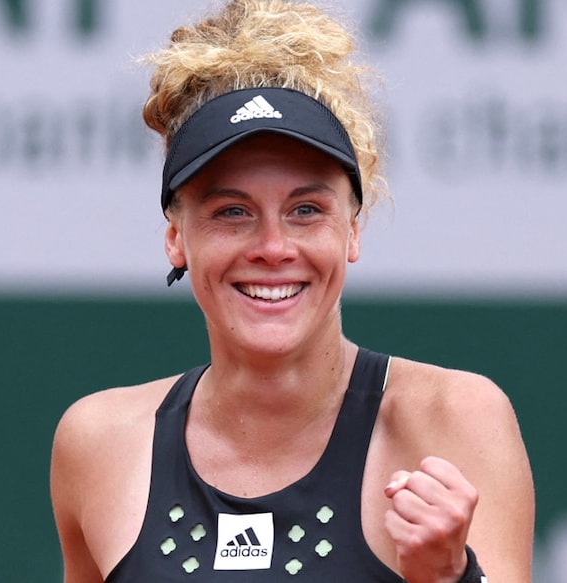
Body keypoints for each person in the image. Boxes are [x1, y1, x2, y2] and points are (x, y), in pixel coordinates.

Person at [50, 1, 534, 581]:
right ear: (177, 238)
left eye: (306, 210)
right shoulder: (97, 442)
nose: (274, 247)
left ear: (352, 229)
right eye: (233, 212)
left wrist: (450, 576)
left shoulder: (455, 420)